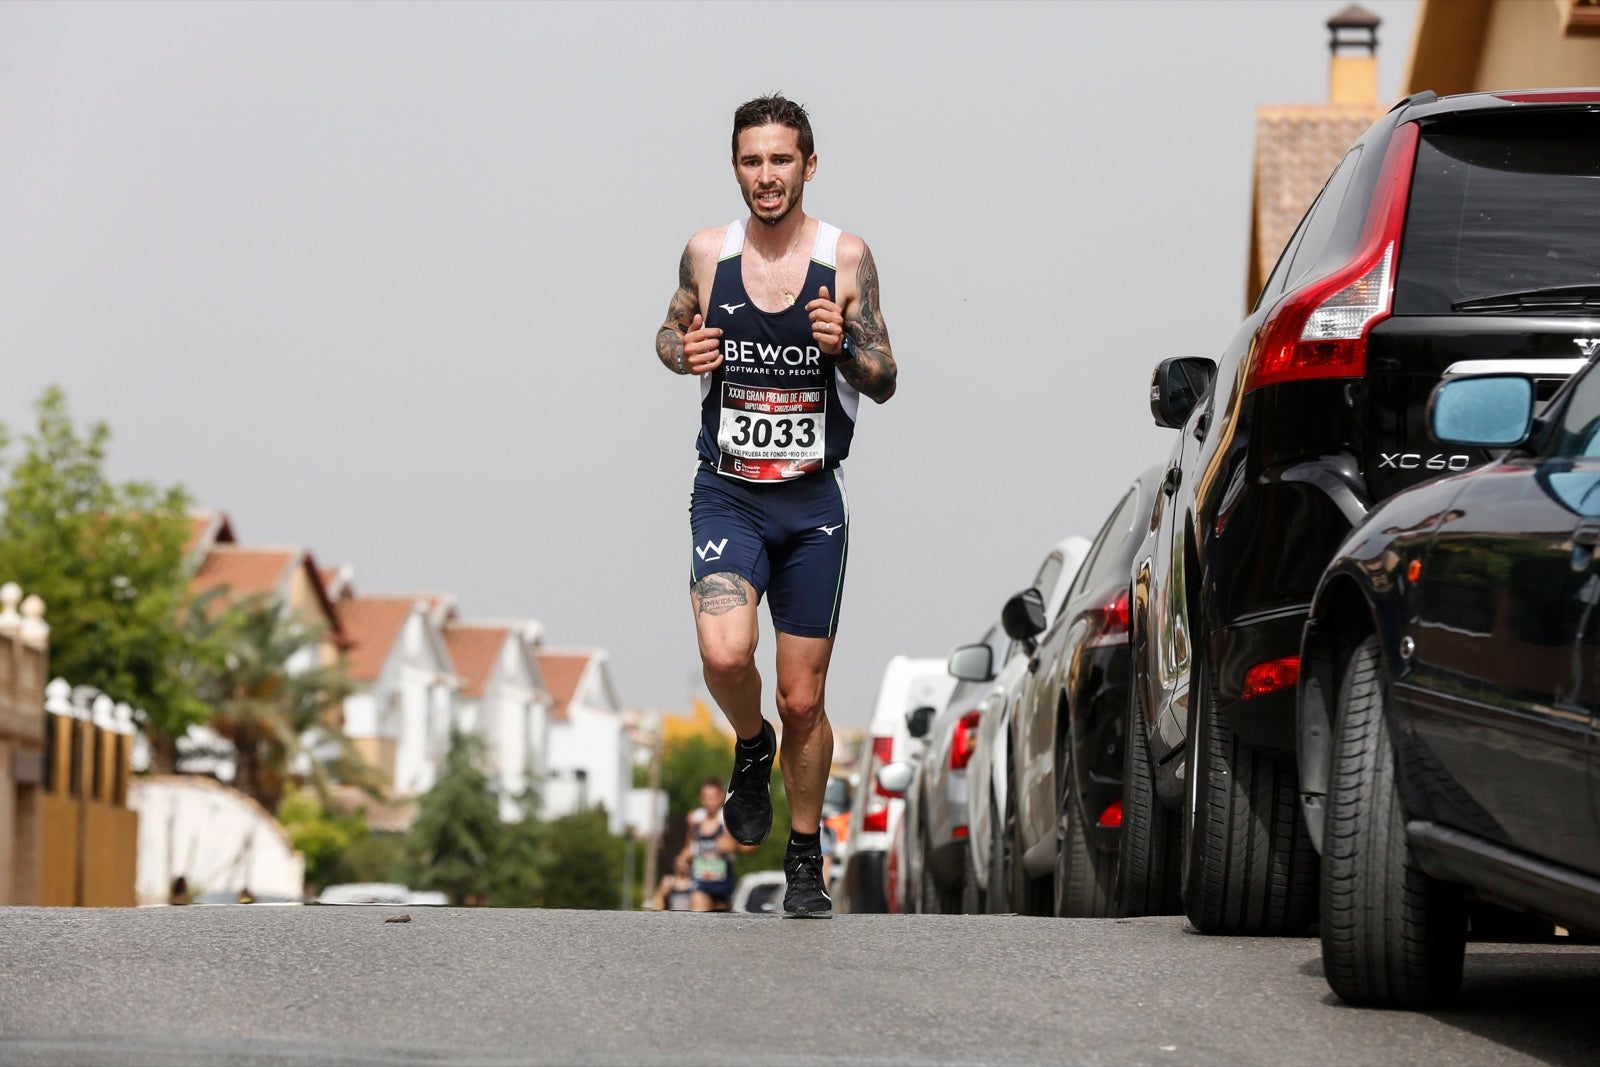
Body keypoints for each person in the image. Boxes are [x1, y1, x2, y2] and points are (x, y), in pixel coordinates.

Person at [655, 95, 897, 917]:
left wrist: (847, 347)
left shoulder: (847, 258)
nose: (767, 176)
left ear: (809, 165)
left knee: (804, 699)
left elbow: (887, 376)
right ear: (736, 167)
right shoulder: (705, 253)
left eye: (782, 160)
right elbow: (668, 331)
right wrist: (677, 350)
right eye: (753, 161)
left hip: (811, 508)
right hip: (728, 492)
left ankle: (803, 857)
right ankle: (748, 746)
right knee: (726, 656)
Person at [682, 777, 742, 912]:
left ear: (720, 797)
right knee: (700, 918)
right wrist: (684, 857)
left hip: (724, 882)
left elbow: (748, 848)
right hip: (700, 882)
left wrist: (732, 846)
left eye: (713, 797)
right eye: (706, 797)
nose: (709, 801)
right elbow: (688, 847)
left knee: (719, 925)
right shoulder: (695, 820)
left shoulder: (727, 820)